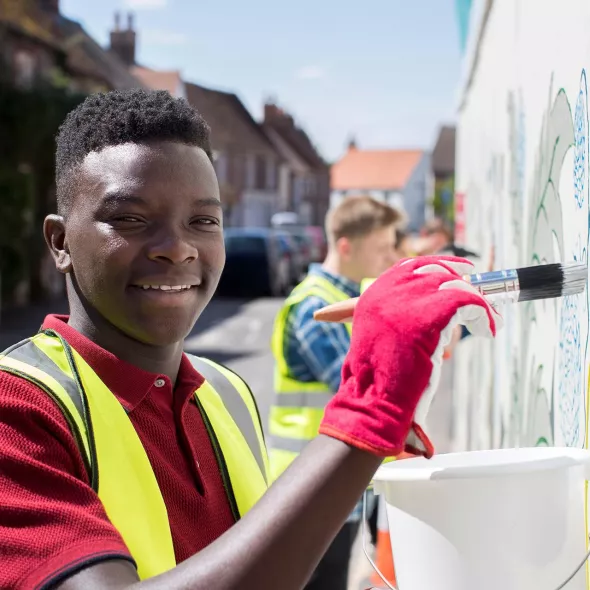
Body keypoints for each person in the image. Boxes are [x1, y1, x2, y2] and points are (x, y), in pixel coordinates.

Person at [0, 89, 501, 590]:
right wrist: (371, 411)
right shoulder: (18, 408)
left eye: (203, 221)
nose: (177, 248)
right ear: (60, 242)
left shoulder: (225, 391)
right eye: (130, 219)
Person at [268, 195, 401, 589]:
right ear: (346, 246)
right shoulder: (316, 307)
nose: (391, 256)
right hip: (311, 487)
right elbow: (367, 391)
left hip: (333, 484)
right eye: (382, 247)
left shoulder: (349, 301)